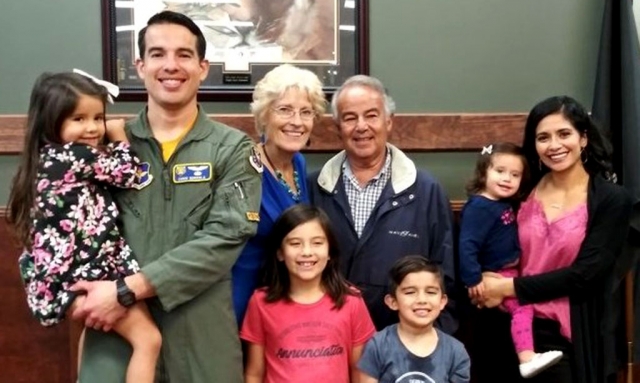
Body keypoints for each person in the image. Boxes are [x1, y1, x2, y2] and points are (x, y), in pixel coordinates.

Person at [69, 11, 262, 383]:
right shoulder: (105, 144)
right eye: (157, 54)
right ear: (139, 66)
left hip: (201, 334)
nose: (170, 65)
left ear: (203, 67)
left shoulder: (233, 149)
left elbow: (226, 237)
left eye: (184, 55)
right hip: (117, 329)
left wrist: (128, 289)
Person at [6, 71, 161, 382]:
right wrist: (118, 136)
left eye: (98, 117)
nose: (91, 128)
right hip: (84, 276)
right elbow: (128, 173)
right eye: (78, 118)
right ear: (51, 121)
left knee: (91, 339)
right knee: (149, 340)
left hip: (62, 280)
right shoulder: (75, 157)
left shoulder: (46, 157)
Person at [480, 96, 633, 383]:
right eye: (543, 137)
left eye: (564, 134)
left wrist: (507, 287)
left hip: (569, 335)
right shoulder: (518, 191)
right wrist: (482, 284)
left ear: (583, 138)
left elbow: (586, 275)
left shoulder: (612, 200)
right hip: (510, 328)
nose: (554, 145)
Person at [309, 75, 457, 333]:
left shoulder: (425, 190)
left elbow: (447, 277)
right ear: (337, 127)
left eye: (371, 115)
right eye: (350, 117)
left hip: (405, 343)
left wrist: (433, 345)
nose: (361, 126)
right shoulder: (314, 188)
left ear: (389, 122)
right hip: (328, 341)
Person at [232, 64, 326, 326]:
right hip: (243, 300)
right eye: (284, 110)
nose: (296, 122)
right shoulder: (242, 168)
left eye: (306, 112)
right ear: (263, 117)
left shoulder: (299, 164)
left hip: (284, 299)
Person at [459, 142, 562, 378]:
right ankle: (527, 358)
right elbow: (467, 245)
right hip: (494, 275)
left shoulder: (503, 203)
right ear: (484, 172)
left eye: (515, 175)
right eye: (500, 171)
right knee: (523, 309)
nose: (507, 179)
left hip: (511, 271)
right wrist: (473, 279)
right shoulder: (479, 207)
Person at [241, 204, 376, 383]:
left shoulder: (351, 301)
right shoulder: (261, 302)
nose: (306, 252)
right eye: (295, 243)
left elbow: (361, 373)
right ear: (280, 253)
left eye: (317, 243)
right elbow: (254, 374)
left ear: (330, 252)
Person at [358, 255, 470, 382]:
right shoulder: (378, 346)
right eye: (410, 292)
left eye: (431, 292)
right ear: (393, 301)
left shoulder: (456, 352)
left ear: (442, 301)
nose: (422, 300)